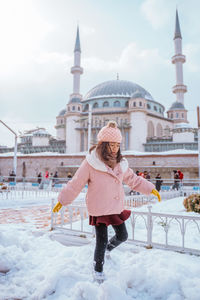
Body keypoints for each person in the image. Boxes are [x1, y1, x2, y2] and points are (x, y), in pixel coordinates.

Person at [53, 121, 161, 283]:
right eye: (112, 144)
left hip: (115, 207)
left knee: (122, 235)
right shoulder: (91, 162)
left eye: (118, 145)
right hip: (99, 207)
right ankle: (98, 269)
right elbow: (76, 183)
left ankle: (107, 250)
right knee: (101, 240)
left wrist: (150, 188)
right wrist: (63, 199)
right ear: (103, 145)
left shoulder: (121, 164)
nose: (115, 148)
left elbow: (133, 180)